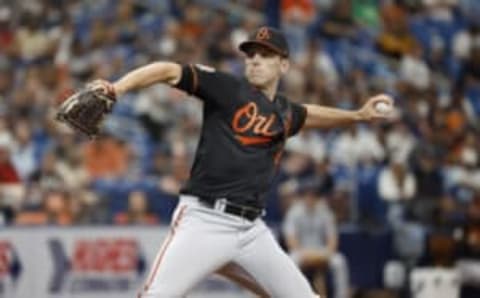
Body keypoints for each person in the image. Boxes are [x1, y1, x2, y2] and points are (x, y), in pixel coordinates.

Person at [91, 26, 393, 297]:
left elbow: (310, 114)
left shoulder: (287, 113)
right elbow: (168, 70)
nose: (255, 60)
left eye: (266, 55)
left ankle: (225, 262)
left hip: (251, 230)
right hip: (205, 219)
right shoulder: (227, 88)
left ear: (284, 65)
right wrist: (118, 88)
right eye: (251, 55)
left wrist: (357, 115)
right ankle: (215, 260)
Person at [283, 178, 349, 298]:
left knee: (340, 262)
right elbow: (291, 240)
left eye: (313, 194)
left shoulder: (325, 211)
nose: (310, 198)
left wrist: (327, 253)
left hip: (321, 250)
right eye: (307, 194)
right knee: (291, 262)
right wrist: (304, 254)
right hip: (300, 251)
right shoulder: (294, 212)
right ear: (302, 196)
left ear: (318, 196)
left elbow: (332, 238)